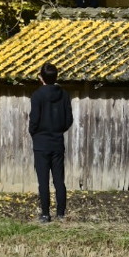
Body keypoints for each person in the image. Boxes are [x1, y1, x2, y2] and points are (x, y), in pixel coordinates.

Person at [29, 61, 73, 223]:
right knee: (59, 180)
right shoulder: (64, 95)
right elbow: (69, 119)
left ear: (41, 78)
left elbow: (34, 120)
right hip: (57, 141)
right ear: (56, 77)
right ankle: (61, 213)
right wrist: (59, 130)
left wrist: (34, 132)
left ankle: (46, 214)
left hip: (41, 143)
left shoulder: (37, 95)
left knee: (43, 180)